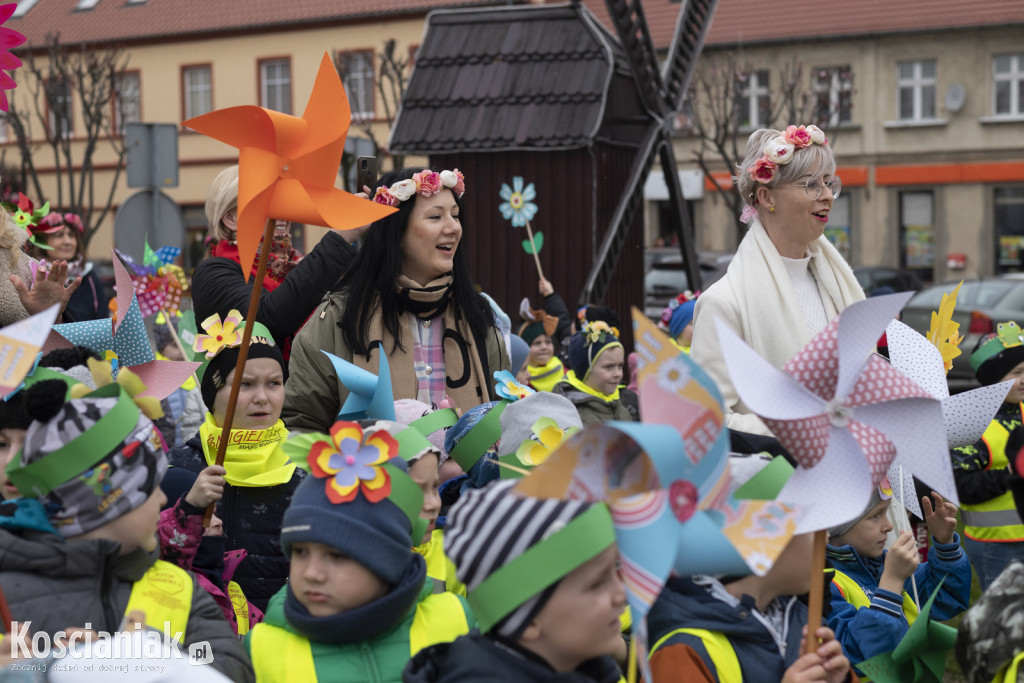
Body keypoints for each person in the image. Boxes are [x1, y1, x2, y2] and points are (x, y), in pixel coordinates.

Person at [0, 378, 253, 681]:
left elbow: (233, 670)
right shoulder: (7, 596)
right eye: (149, 488)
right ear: (104, 503)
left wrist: (149, 663)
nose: (162, 499)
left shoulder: (180, 589)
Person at [283, 168, 509, 433]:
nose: (453, 227)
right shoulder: (339, 317)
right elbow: (302, 424)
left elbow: (503, 417)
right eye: (435, 216)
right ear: (396, 231)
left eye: (455, 215)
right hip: (366, 460)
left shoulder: (477, 316)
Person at [245, 422, 473, 681]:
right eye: (300, 552)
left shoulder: (452, 620)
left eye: (337, 555)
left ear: (388, 556)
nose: (311, 574)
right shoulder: (264, 650)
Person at [689, 125, 863, 436]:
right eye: (811, 184)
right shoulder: (724, 303)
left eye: (828, 182)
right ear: (767, 196)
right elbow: (706, 421)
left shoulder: (836, 284)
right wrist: (802, 428)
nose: (827, 195)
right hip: (778, 467)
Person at [403, 479, 627, 682]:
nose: (621, 595)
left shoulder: (589, 667)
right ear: (527, 618)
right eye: (597, 584)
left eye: (614, 571)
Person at [167, 312, 300, 612]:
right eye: (245, 384)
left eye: (274, 383)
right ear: (213, 393)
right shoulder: (179, 469)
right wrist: (190, 508)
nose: (262, 397)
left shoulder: (307, 471)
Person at [190, 165, 366, 363]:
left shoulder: (297, 266)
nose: (282, 211)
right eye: (268, 202)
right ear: (231, 219)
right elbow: (269, 319)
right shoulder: (212, 273)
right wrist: (338, 239)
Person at [647, 533, 853, 682]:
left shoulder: (805, 622)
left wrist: (842, 679)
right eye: (814, 527)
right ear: (768, 535)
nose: (826, 536)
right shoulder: (681, 652)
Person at [825, 489, 970, 672]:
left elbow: (946, 597)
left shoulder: (884, 564)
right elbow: (857, 656)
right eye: (875, 516)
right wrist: (892, 581)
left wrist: (945, 544)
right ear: (839, 522)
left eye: (886, 512)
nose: (888, 526)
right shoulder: (822, 585)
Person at [951, 327, 1024, 590]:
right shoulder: (972, 425)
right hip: (996, 546)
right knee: (1003, 612)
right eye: (1017, 373)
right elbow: (962, 487)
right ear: (994, 379)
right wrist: (1011, 475)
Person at [158, 466, 265, 637]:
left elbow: (262, 636)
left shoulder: (233, 591)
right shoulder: (167, 586)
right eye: (203, 515)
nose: (218, 522)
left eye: (215, 512)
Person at [552, 323, 638, 425]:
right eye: (608, 367)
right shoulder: (573, 415)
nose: (618, 374)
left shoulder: (620, 403)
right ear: (586, 370)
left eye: (620, 366)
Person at [30, 211, 106, 322]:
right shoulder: (33, 275)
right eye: (59, 235)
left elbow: (103, 322)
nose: (67, 242)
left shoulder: (90, 277)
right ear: (43, 241)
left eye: (71, 235)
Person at [517, 300, 565, 392]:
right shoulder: (520, 380)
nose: (544, 347)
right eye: (537, 343)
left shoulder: (564, 371)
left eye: (548, 342)